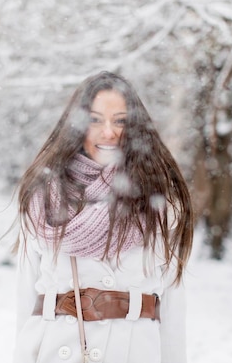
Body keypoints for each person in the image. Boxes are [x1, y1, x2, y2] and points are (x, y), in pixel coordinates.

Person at [13, 71, 194, 363]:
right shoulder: (43, 201)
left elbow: (173, 309)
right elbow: (25, 300)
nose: (108, 132)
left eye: (120, 120)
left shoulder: (160, 203)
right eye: (95, 120)